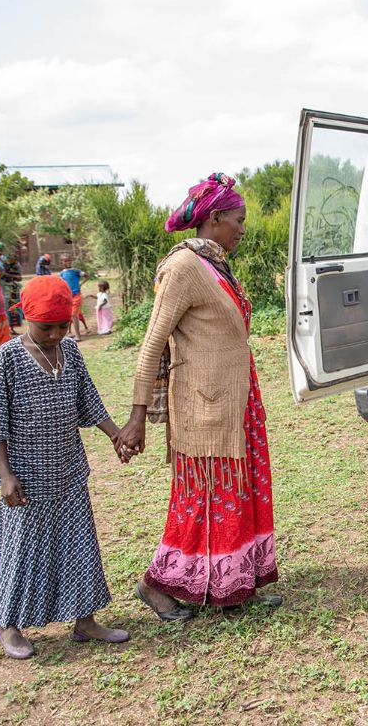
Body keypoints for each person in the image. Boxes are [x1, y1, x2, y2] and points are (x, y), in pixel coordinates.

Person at [116, 172, 279, 620]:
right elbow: (153, 341)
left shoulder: (215, 263)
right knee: (202, 497)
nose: (243, 229)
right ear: (214, 218)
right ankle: (157, 586)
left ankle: (234, 584)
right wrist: (136, 416)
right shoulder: (184, 267)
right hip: (203, 407)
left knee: (238, 493)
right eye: (239, 220)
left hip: (237, 401)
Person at [0, 274, 131, 659]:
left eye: (62, 326)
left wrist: (115, 436)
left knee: (79, 545)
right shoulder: (8, 358)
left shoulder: (70, 352)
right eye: (47, 327)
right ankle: (6, 623)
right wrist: (6, 474)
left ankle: (84, 621)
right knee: (22, 549)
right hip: (26, 477)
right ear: (28, 319)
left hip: (68, 470)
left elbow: (88, 400)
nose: (55, 334)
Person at [58, 254, 89, 341]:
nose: (67, 262)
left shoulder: (76, 271)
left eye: (68, 260)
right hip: (67, 297)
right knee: (69, 315)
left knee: (74, 315)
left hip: (76, 295)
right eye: (65, 261)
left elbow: (87, 276)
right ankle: (70, 333)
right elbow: (61, 283)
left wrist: (81, 284)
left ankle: (78, 336)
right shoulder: (62, 273)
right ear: (62, 262)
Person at [3, 254, 24, 333]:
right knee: (8, 307)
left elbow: (19, 278)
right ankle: (9, 327)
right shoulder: (5, 266)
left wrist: (9, 275)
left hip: (14, 289)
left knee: (14, 308)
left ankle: (12, 328)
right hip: (7, 288)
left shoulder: (16, 266)